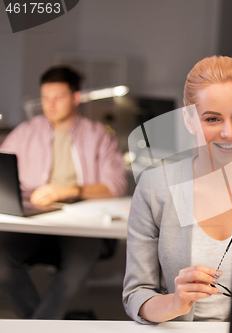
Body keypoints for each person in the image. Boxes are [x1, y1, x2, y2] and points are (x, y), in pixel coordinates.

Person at [122, 56, 232, 323]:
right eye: (213, 119)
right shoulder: (156, 187)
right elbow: (136, 294)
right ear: (189, 120)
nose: (228, 132)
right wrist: (174, 303)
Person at [0, 66, 127, 319]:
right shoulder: (26, 132)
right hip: (35, 218)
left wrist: (69, 190)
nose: (50, 105)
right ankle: (44, 325)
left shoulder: (98, 135)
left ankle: (36, 326)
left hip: (80, 224)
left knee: (74, 272)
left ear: (75, 97)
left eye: (57, 98)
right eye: (45, 98)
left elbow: (115, 185)